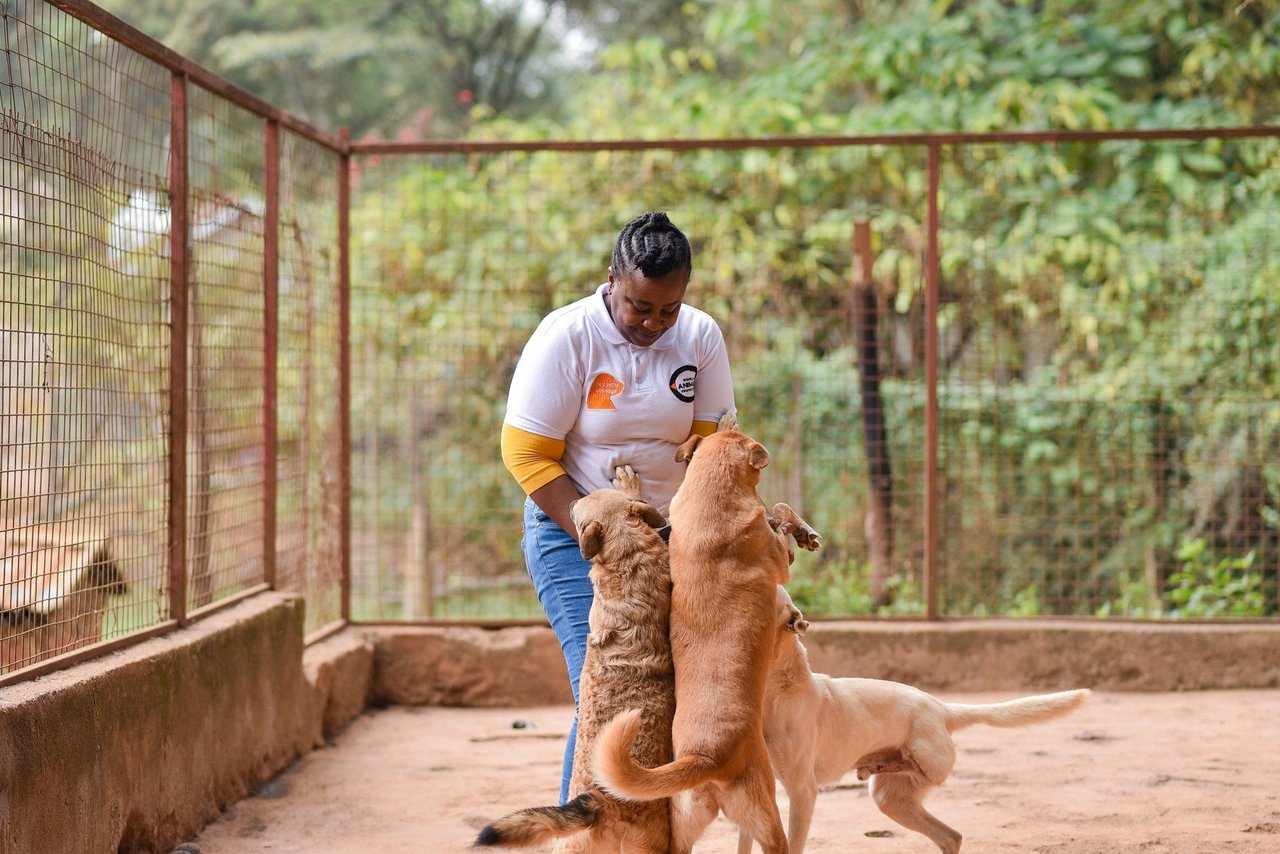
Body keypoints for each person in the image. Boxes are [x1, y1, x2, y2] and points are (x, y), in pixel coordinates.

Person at [501, 211, 736, 804]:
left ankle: (640, 833)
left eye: (668, 310)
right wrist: (609, 535)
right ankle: (580, 835)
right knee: (606, 689)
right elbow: (526, 456)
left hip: (670, 535)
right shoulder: (567, 336)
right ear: (612, 281)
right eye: (639, 306)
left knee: (672, 693)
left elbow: (709, 445)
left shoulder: (701, 337)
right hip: (575, 535)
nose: (654, 323)